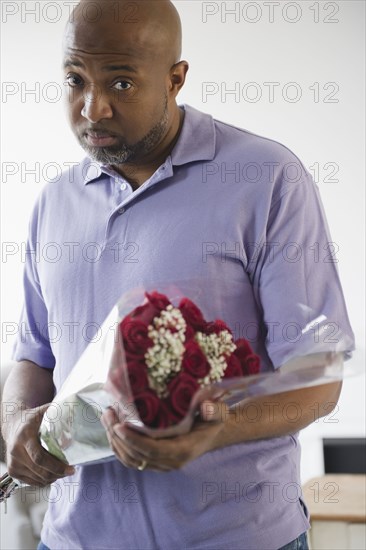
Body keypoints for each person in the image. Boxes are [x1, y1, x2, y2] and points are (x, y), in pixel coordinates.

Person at [1, 1, 355, 549]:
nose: (93, 109)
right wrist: (15, 421)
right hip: (72, 541)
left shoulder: (267, 180)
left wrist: (218, 430)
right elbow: (34, 353)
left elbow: (317, 376)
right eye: (75, 80)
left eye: (121, 82)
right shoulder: (53, 202)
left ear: (176, 78)